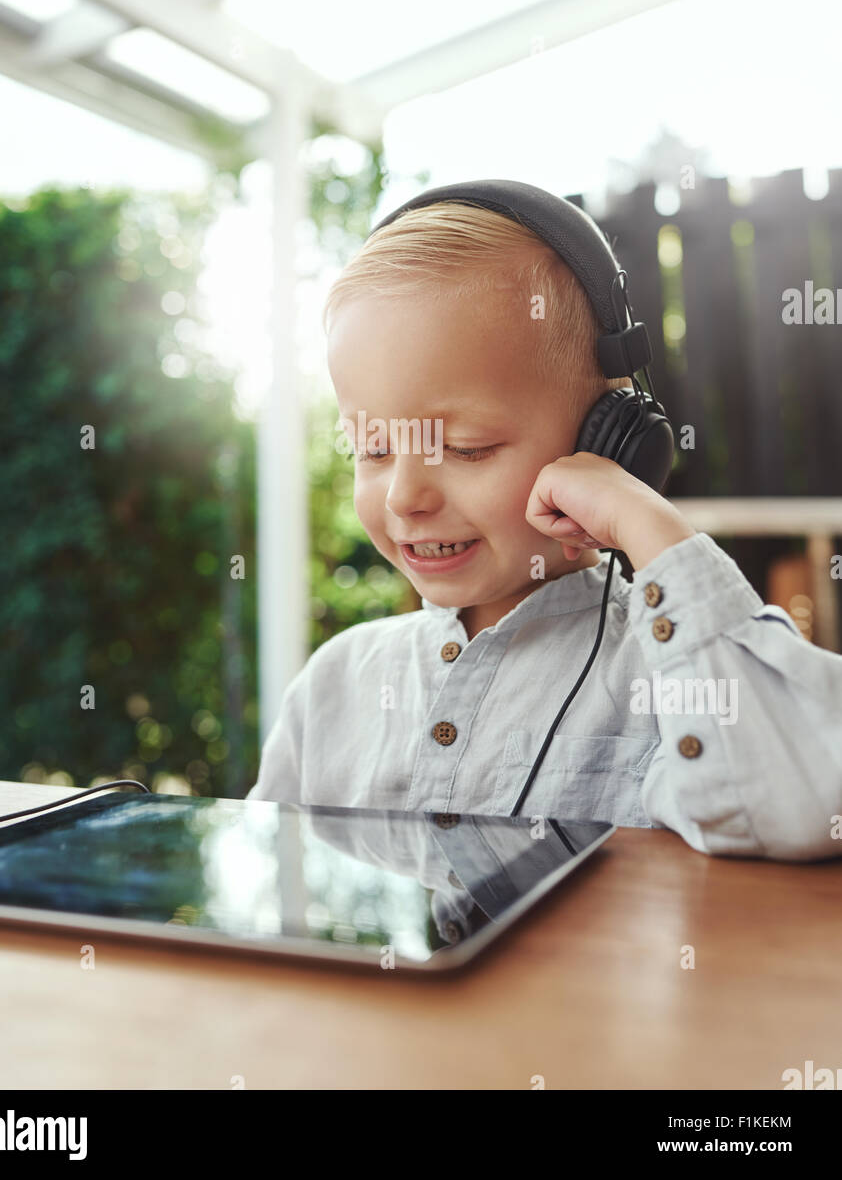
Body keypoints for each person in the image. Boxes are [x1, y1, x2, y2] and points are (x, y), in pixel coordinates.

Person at [247, 191, 842, 860]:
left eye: (466, 447)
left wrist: (648, 526)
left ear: (608, 443)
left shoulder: (665, 677)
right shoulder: (334, 687)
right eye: (373, 449)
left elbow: (808, 802)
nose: (405, 495)